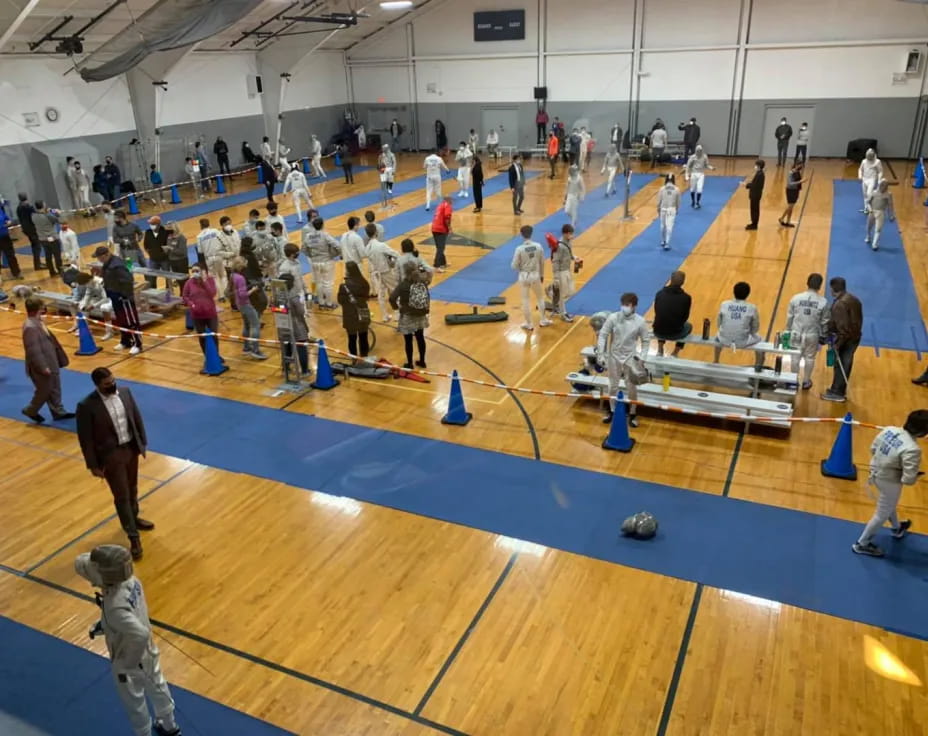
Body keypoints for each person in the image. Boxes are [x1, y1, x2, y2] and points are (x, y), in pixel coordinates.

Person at [74, 544, 182, 735]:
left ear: (105, 575)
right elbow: (129, 620)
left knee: (134, 701)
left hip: (128, 658)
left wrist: (129, 663)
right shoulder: (133, 582)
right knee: (157, 685)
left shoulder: (115, 606)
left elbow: (138, 633)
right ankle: (170, 726)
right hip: (148, 649)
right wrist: (105, 626)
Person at [76, 367, 152, 559]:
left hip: (130, 449)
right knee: (122, 495)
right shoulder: (86, 406)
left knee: (133, 488)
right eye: (107, 384)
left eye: (113, 381)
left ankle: (134, 519)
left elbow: (135, 417)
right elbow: (86, 439)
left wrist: (142, 442)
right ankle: (133, 537)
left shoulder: (125, 393)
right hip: (111, 455)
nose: (112, 385)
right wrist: (93, 465)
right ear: (97, 385)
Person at [852, 410, 928, 557]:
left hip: (875, 471)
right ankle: (862, 544)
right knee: (882, 513)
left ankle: (897, 528)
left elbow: (873, 449)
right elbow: (908, 480)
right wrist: (915, 475)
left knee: (888, 505)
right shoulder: (912, 449)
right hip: (890, 482)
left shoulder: (890, 430)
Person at [596, 293, 650, 427]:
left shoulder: (640, 321)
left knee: (631, 387)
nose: (624, 307)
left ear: (634, 306)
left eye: (628, 305)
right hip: (614, 356)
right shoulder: (613, 317)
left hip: (630, 357)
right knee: (612, 385)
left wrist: (642, 358)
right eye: (623, 304)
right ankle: (612, 411)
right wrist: (601, 354)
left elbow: (646, 341)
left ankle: (632, 413)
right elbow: (603, 335)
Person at [21, 296, 74, 423]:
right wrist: (43, 367)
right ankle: (31, 410)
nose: (43, 310)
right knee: (45, 390)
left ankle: (58, 411)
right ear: (36, 310)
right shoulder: (30, 327)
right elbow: (33, 350)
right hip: (42, 365)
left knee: (55, 387)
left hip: (50, 361)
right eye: (41, 309)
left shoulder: (37, 321)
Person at [95, 245, 143, 354]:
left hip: (124, 298)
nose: (99, 260)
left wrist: (124, 295)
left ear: (106, 254)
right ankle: (126, 341)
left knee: (131, 320)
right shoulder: (106, 265)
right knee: (121, 320)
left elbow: (128, 280)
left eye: (100, 257)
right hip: (114, 296)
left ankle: (137, 344)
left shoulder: (117, 264)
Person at [785, 272, 829, 390]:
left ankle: (792, 381)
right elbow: (825, 321)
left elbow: (790, 317)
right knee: (810, 357)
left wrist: (787, 331)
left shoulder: (796, 298)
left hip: (796, 332)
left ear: (807, 283)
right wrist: (824, 335)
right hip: (812, 334)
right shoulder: (823, 302)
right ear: (820, 286)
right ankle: (806, 381)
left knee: (795, 357)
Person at [821, 276, 862, 402]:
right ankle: (837, 389)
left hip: (844, 339)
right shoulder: (854, 299)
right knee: (846, 363)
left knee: (841, 365)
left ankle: (837, 392)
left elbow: (842, 328)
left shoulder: (839, 305)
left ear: (833, 289)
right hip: (855, 336)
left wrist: (837, 344)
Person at [391, 260, 432, 369]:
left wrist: (397, 308)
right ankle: (422, 361)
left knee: (408, 340)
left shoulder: (403, 285)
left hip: (407, 314)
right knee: (420, 338)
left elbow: (392, 298)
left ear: (405, 271)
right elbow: (427, 296)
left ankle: (409, 363)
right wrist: (426, 309)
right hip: (420, 314)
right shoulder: (422, 282)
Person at [278, 243, 311, 376]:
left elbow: (300, 278)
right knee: (295, 341)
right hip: (294, 311)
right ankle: (301, 369)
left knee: (288, 341)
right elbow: (300, 313)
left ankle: (286, 366)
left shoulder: (296, 263)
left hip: (299, 294)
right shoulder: (284, 268)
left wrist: (305, 290)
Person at [511, 224, 550, 330]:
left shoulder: (519, 249)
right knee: (540, 297)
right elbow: (542, 262)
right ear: (531, 233)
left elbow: (513, 265)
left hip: (524, 276)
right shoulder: (538, 246)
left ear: (521, 234)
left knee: (525, 300)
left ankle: (529, 324)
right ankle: (543, 320)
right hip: (535, 275)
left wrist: (521, 266)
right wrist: (542, 275)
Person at [182, 264, 222, 362]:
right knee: (202, 337)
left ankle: (216, 355)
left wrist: (204, 282)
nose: (195, 273)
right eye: (193, 271)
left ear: (203, 271)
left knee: (213, 335)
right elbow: (185, 296)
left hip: (210, 313)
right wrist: (191, 304)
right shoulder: (189, 283)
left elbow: (212, 293)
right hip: (197, 315)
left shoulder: (210, 280)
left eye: (197, 271)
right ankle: (207, 357)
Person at [713, 281, 761, 363]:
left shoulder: (724, 304)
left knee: (717, 337)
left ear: (733, 292)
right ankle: (758, 364)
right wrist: (749, 332)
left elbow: (718, 323)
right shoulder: (752, 308)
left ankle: (716, 360)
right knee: (760, 339)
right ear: (748, 294)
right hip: (742, 342)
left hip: (724, 339)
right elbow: (755, 328)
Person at [231, 257, 268, 360]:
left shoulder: (233, 276)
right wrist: (253, 289)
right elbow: (243, 294)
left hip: (239, 304)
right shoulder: (240, 278)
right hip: (245, 304)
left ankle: (246, 347)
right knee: (256, 325)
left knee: (246, 325)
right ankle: (255, 350)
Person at [301, 216, 340, 309]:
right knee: (328, 283)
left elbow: (303, 249)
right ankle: (329, 304)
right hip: (326, 262)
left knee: (318, 282)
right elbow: (338, 245)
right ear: (322, 225)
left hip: (315, 262)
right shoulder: (325, 235)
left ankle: (321, 303)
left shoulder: (308, 236)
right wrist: (333, 255)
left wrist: (311, 256)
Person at [653, 270, 692, 357]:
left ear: (670, 279)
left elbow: (657, 311)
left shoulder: (659, 294)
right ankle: (675, 353)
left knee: (661, 321)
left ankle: (660, 349)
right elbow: (685, 317)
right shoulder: (686, 298)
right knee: (689, 326)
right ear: (683, 282)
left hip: (658, 330)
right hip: (676, 332)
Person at [338, 261, 372, 361]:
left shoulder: (344, 286)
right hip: (363, 311)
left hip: (350, 314)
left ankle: (354, 359)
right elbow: (366, 297)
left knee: (352, 338)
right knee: (363, 336)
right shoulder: (364, 282)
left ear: (348, 271)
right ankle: (365, 357)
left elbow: (340, 300)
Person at [366, 224, 399, 321]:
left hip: (376, 273)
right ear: (376, 232)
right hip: (385, 272)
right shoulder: (381, 245)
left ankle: (385, 315)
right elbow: (395, 254)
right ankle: (398, 314)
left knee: (381, 294)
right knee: (395, 291)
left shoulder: (367, 247)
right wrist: (394, 261)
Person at [77, 268, 115, 341]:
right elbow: (87, 294)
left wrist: (93, 306)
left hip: (110, 298)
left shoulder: (100, 282)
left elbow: (105, 298)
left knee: (104, 308)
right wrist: (84, 304)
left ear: (88, 280)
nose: (85, 285)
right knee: (82, 305)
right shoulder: (89, 283)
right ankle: (85, 329)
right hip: (99, 298)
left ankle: (109, 331)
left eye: (85, 283)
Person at [550, 223, 579, 322]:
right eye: (570, 233)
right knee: (563, 294)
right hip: (561, 272)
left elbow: (569, 253)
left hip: (567, 269)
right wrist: (556, 277)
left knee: (571, 291)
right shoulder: (559, 246)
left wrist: (574, 258)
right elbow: (555, 261)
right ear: (565, 234)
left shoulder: (568, 242)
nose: (572, 235)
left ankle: (551, 291)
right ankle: (563, 314)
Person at [31, 200, 62, 276]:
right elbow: (58, 220)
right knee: (57, 255)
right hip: (53, 238)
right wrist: (58, 213)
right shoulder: (48, 215)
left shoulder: (33, 215)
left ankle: (51, 271)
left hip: (42, 239)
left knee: (48, 256)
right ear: (43, 205)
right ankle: (60, 270)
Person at [16, 193, 44, 271]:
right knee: (37, 246)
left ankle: (38, 263)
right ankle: (37, 265)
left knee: (34, 246)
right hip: (31, 229)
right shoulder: (28, 207)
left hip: (25, 229)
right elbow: (36, 213)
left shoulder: (18, 208)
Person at [866, 179, 895, 251]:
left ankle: (874, 244)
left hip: (881, 212)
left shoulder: (888, 194)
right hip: (872, 211)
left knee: (878, 228)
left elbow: (890, 205)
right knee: (869, 226)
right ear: (879, 186)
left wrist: (891, 215)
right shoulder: (874, 192)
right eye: (882, 187)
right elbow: (868, 202)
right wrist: (870, 209)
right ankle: (868, 236)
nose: (883, 189)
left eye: (884, 188)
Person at [684, 144, 714, 209]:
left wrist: (711, 168)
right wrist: (686, 175)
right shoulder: (692, 157)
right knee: (692, 189)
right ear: (696, 151)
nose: (699, 152)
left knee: (699, 189)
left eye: (700, 151)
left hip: (701, 174)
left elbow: (706, 165)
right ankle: (693, 201)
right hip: (693, 174)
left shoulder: (704, 157)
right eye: (698, 151)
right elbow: (688, 166)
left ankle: (697, 202)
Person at [215, 216, 241, 293]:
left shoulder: (235, 232)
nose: (229, 225)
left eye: (230, 223)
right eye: (226, 224)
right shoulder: (219, 237)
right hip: (229, 264)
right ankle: (232, 297)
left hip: (239, 261)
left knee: (241, 279)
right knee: (232, 281)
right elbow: (218, 252)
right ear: (222, 225)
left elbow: (240, 242)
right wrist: (230, 254)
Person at [142, 216, 168, 287]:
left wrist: (164, 253)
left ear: (158, 224)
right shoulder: (148, 232)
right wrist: (150, 253)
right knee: (152, 278)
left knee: (168, 277)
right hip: (153, 259)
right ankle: (153, 291)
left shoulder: (165, 232)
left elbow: (168, 245)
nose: (150, 225)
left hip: (164, 259)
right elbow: (145, 244)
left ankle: (169, 290)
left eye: (152, 224)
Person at [778, 161, 806, 228]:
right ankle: (781, 218)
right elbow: (790, 183)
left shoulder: (797, 172)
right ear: (796, 165)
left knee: (792, 207)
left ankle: (788, 221)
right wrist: (801, 181)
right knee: (790, 206)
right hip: (791, 190)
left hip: (796, 190)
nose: (801, 167)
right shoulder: (791, 173)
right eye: (800, 165)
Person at [657, 174, 680, 250]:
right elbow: (678, 202)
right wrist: (677, 209)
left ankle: (663, 241)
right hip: (671, 209)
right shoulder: (677, 189)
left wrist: (658, 209)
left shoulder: (662, 189)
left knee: (663, 226)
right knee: (669, 226)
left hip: (663, 208)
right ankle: (667, 243)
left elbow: (659, 201)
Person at [431, 195, 453, 272]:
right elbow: (447, 217)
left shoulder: (440, 205)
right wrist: (449, 227)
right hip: (441, 229)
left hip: (434, 228)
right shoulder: (448, 206)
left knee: (439, 247)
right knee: (441, 248)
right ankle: (436, 265)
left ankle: (443, 263)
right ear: (449, 200)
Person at [858, 148, 883, 214]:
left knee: (869, 193)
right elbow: (860, 169)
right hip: (864, 179)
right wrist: (860, 176)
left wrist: (879, 179)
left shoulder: (877, 162)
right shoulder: (864, 161)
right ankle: (867, 208)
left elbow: (880, 171)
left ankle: (870, 206)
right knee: (865, 194)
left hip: (872, 179)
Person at [0, 206, 22, 279]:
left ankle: (16, 273)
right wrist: (5, 225)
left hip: (5, 237)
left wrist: (9, 222)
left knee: (11, 255)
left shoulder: (0, 210)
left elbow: (7, 218)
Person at [745, 159, 765, 230]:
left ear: (759, 166)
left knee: (755, 209)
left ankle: (754, 224)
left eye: (756, 165)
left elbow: (755, 185)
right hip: (755, 194)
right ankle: (753, 222)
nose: (755, 166)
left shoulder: (760, 174)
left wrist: (746, 185)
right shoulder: (759, 173)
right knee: (753, 209)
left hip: (755, 194)